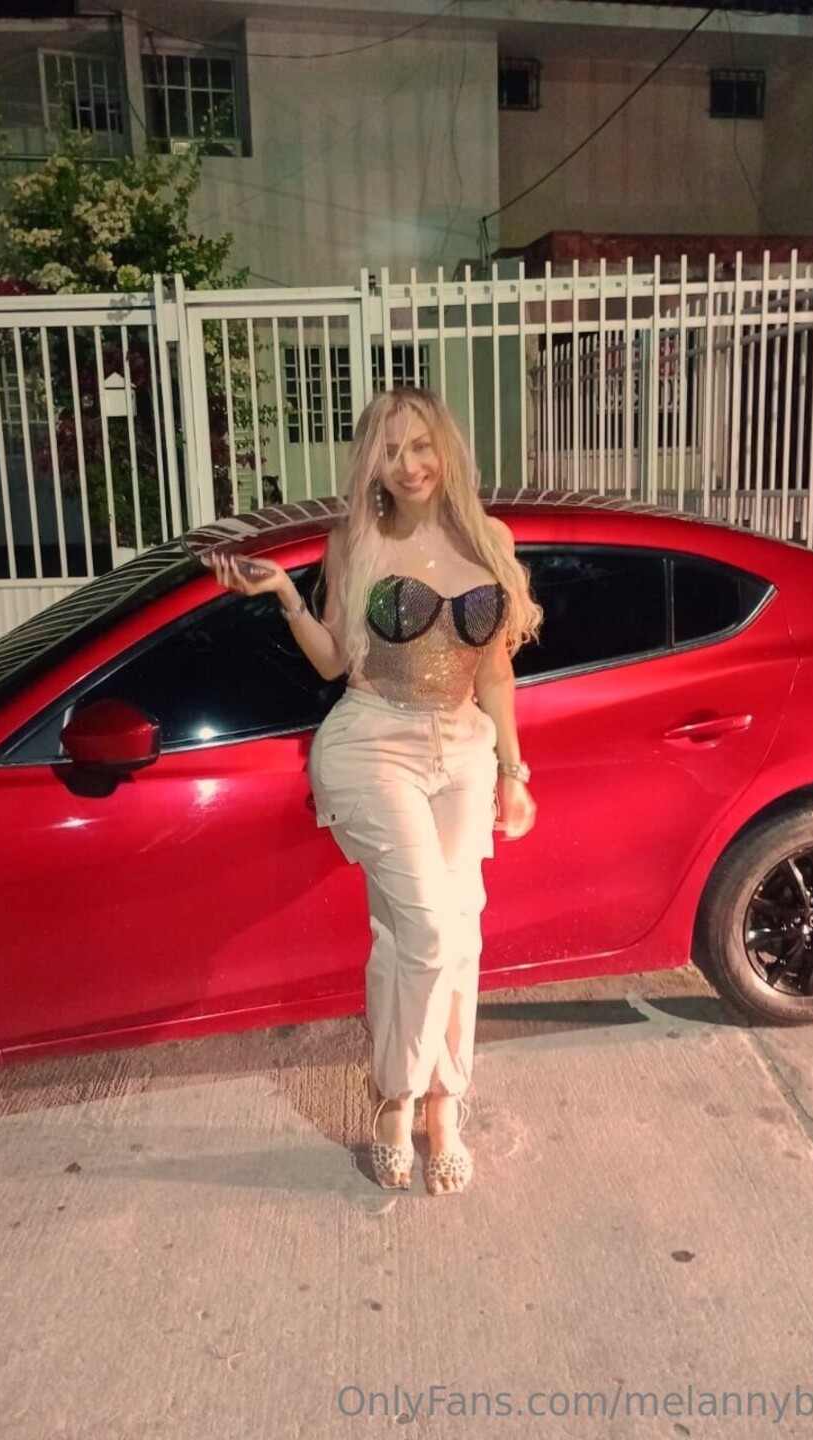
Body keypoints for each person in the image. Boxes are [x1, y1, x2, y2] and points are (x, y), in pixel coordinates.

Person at [210, 387, 541, 1195]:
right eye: (391, 452)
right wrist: (286, 596)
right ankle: (398, 1097)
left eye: (421, 445)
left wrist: (513, 772)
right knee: (431, 929)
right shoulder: (356, 541)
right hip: (373, 743)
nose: (410, 465)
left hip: (462, 751)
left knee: (443, 933)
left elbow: (494, 672)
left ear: (446, 448)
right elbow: (333, 661)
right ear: (373, 464)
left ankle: (444, 1105)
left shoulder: (489, 539)